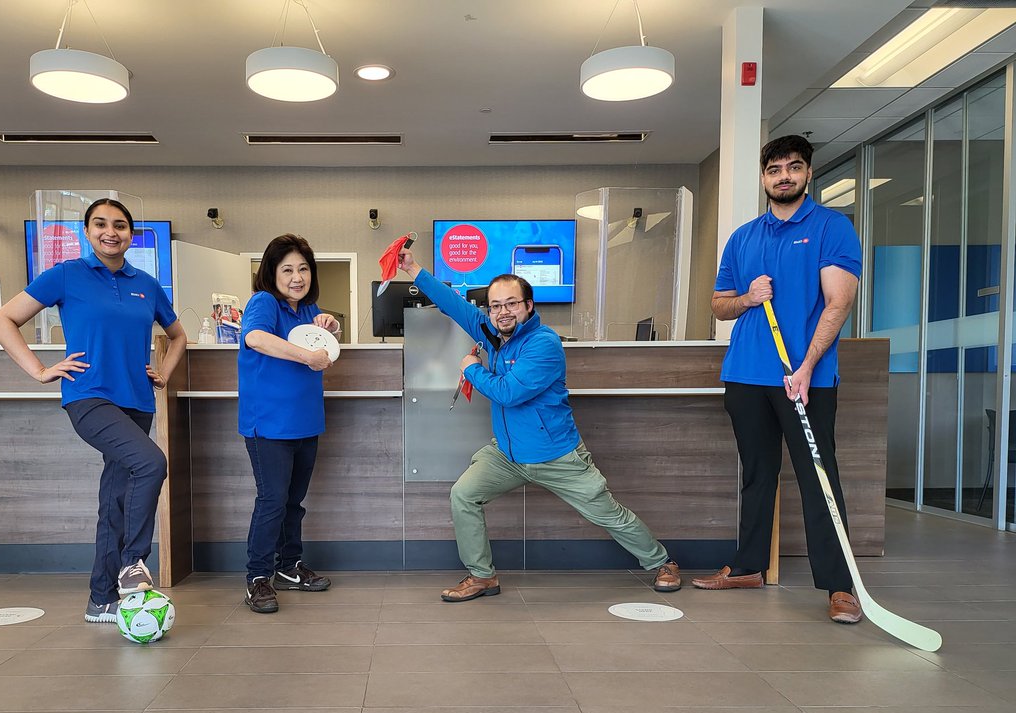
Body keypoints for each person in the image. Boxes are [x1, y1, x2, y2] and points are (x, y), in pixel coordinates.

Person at [397, 248, 681, 601]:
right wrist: (414, 270)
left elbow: (509, 393)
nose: (502, 311)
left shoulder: (543, 344)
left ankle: (662, 562)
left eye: (511, 304)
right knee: (464, 495)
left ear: (528, 306)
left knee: (608, 514)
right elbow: (455, 305)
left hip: (557, 456)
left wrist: (471, 367)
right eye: (496, 305)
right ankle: (482, 576)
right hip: (508, 454)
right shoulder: (491, 332)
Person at [692, 134, 864, 625]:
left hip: (805, 377)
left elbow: (838, 302)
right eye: (774, 169)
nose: (783, 176)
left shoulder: (832, 228)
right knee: (756, 473)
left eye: (793, 167)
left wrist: (808, 367)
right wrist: (747, 297)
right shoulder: (744, 237)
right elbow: (719, 304)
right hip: (746, 374)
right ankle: (748, 567)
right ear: (764, 177)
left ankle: (839, 586)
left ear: (808, 173)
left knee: (817, 478)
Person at [0, 198, 187, 623]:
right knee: (151, 463)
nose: (110, 232)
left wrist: (164, 372)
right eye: (100, 224)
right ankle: (134, 562)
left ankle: (101, 599)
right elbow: (2, 319)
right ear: (87, 231)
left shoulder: (146, 284)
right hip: (89, 396)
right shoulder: (66, 275)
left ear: (131, 234)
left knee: (115, 499)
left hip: (136, 399)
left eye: (119, 225)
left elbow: (178, 335)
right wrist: (40, 370)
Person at [238, 234, 339, 614]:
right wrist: (307, 356)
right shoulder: (264, 302)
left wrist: (328, 328)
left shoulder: (307, 309)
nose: (297, 277)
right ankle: (258, 577)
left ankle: (288, 567)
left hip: (305, 422)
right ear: (271, 273)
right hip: (269, 424)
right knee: (272, 502)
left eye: (303, 269)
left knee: (292, 502)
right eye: (288, 270)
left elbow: (320, 347)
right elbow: (256, 337)